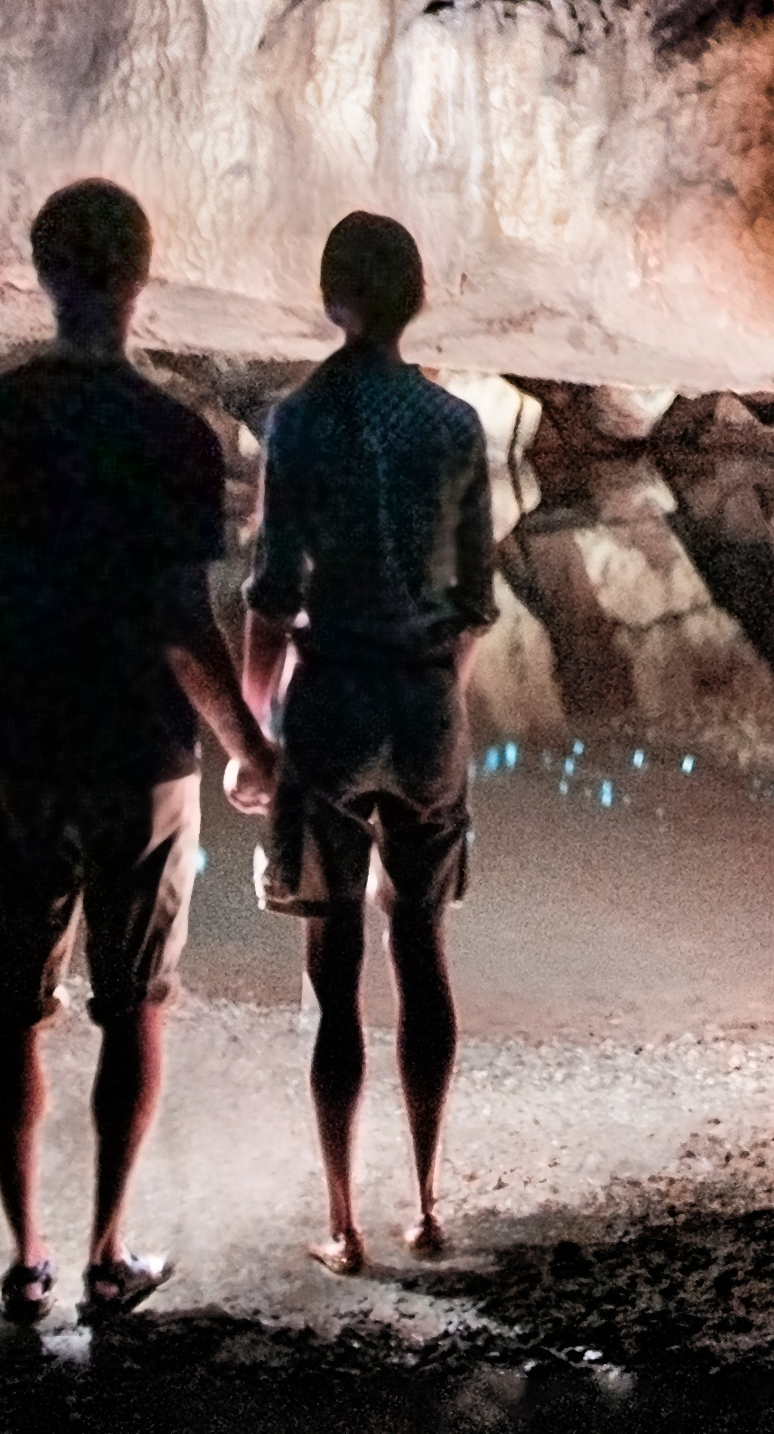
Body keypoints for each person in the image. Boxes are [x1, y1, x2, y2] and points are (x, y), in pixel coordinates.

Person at [0, 177, 267, 1333]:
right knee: (135, 1004)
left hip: (17, 741)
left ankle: (24, 1264)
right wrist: (249, 750)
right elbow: (179, 621)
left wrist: (11, 606)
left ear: (41, 275)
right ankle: (108, 1253)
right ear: (138, 282)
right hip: (141, 757)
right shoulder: (171, 437)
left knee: (13, 1007)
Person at [236, 209, 503, 1274]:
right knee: (422, 950)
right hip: (425, 702)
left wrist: (259, 730)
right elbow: (477, 601)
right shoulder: (453, 425)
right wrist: (440, 689)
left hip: (333, 701)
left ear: (330, 299)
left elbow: (270, 593)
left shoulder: (298, 418)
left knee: (333, 957)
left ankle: (343, 1224)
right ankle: (430, 1207)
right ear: (415, 300)